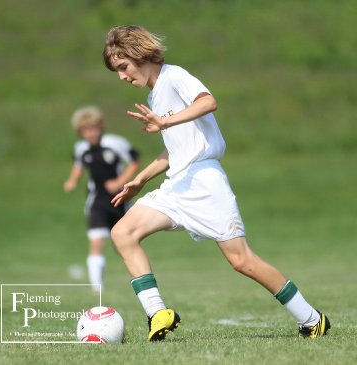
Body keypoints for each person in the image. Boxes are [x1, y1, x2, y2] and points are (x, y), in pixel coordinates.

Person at [102, 25, 331, 341]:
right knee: (123, 232)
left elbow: (208, 101)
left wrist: (165, 121)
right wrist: (139, 179)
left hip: (205, 183)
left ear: (140, 55)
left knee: (242, 261)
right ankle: (158, 314)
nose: (122, 77)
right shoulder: (156, 94)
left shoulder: (174, 76)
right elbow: (176, 147)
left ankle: (311, 319)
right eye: (117, 71)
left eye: (123, 67)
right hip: (178, 184)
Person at [64, 105, 140, 293]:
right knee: (97, 241)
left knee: (123, 242)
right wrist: (72, 180)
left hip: (119, 201)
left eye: (93, 128)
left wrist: (120, 181)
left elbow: (134, 161)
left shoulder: (115, 143)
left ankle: (138, 277)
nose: (90, 133)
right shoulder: (81, 148)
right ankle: (96, 288)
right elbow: (78, 165)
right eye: (85, 130)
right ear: (80, 131)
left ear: (101, 126)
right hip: (97, 202)